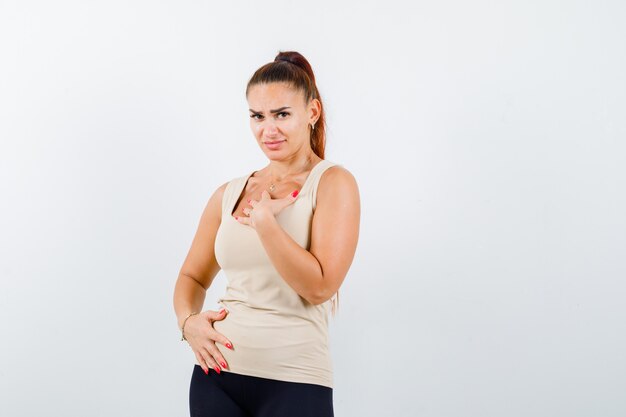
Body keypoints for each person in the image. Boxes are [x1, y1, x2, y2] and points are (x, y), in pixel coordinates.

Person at [172, 50, 360, 417]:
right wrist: (188, 322)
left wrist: (266, 225)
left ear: (312, 113)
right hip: (216, 377)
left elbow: (320, 286)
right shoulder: (230, 192)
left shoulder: (333, 183)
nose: (267, 129)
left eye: (282, 115)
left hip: (296, 382)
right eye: (257, 116)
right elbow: (191, 276)